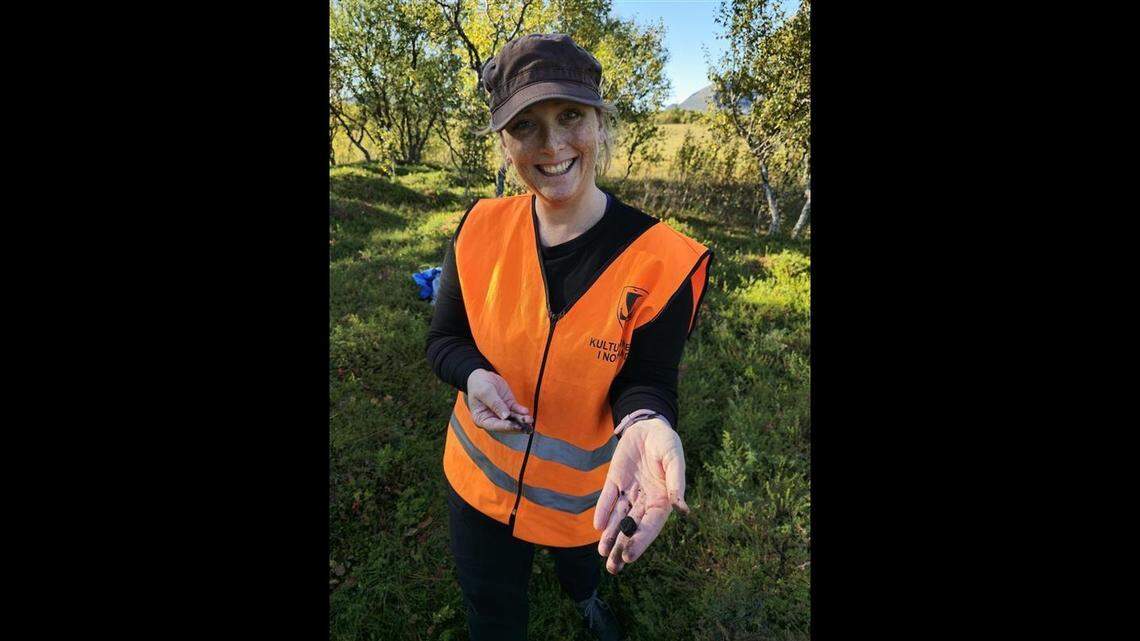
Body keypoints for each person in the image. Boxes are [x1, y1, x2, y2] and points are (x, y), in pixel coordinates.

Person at [425, 33, 713, 641]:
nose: (553, 145)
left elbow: (647, 381)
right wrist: (474, 375)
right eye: (525, 126)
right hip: (479, 487)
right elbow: (445, 340)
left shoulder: (662, 262)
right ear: (503, 143)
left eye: (571, 116)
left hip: (588, 496)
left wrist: (649, 422)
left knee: (581, 566)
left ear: (601, 123)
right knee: (492, 612)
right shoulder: (477, 229)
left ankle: (584, 597)